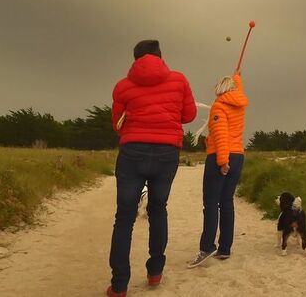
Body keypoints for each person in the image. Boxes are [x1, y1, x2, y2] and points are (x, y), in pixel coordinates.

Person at [106, 40, 196, 297]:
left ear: (135, 59)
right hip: (167, 153)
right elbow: (188, 115)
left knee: (124, 217)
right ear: (160, 56)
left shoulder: (122, 86)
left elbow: (117, 124)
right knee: (158, 210)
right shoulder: (179, 80)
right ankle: (155, 271)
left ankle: (119, 285)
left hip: (132, 152)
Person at [187, 72, 249, 267]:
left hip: (221, 156)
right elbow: (240, 90)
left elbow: (221, 134)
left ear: (220, 90)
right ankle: (225, 248)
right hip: (238, 155)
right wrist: (238, 77)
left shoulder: (219, 106)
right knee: (227, 202)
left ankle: (207, 247)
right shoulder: (239, 105)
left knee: (211, 203)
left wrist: (222, 161)